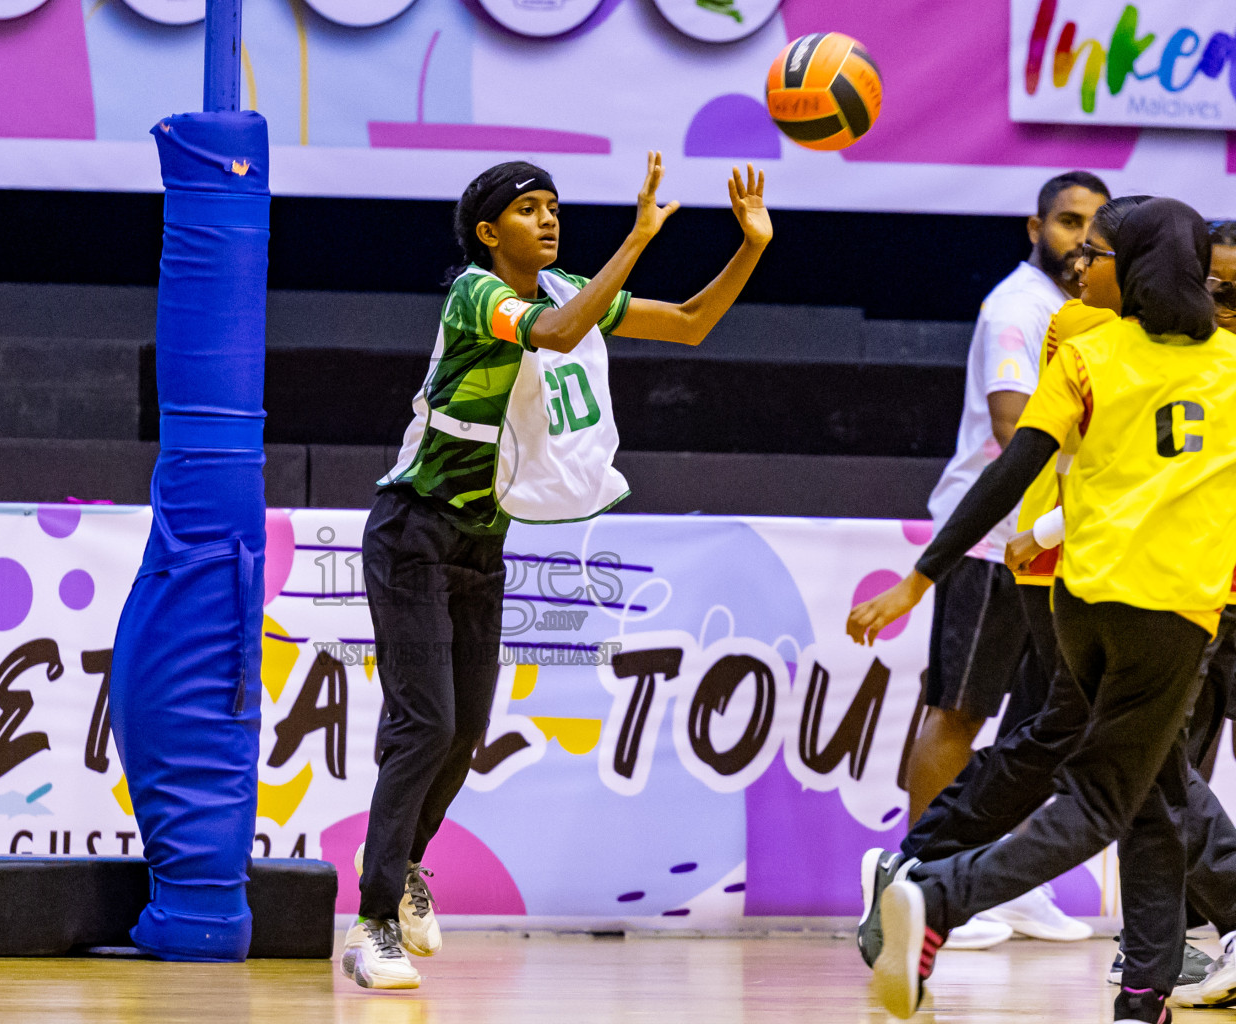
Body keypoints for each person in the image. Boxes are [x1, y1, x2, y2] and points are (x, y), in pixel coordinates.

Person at [342, 153, 772, 990]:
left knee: (465, 732)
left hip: (480, 540)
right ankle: (371, 923)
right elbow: (553, 332)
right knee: (424, 725)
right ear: (487, 232)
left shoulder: (570, 289)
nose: (548, 218)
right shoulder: (477, 293)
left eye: (554, 206)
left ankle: (399, 864)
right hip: (412, 532)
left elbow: (687, 322)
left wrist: (749, 246)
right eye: (528, 209)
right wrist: (641, 237)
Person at [849, 198, 1236, 1023]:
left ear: (1132, 269)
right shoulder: (1230, 364)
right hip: (1170, 614)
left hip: (1082, 606)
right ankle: (937, 896)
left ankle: (1143, 996)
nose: (1080, 265)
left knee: (1159, 793)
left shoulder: (1090, 351)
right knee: (1104, 800)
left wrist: (923, 575)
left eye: (1097, 252)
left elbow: (1009, 468)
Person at [907, 171, 1108, 946]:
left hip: (1055, 546)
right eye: (1067, 222)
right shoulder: (1017, 308)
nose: (1079, 240)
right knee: (959, 709)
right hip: (994, 538)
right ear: (1035, 228)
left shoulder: (1083, 311)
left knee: (1039, 722)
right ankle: (923, 881)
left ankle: (1002, 881)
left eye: (1094, 228)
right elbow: (1013, 421)